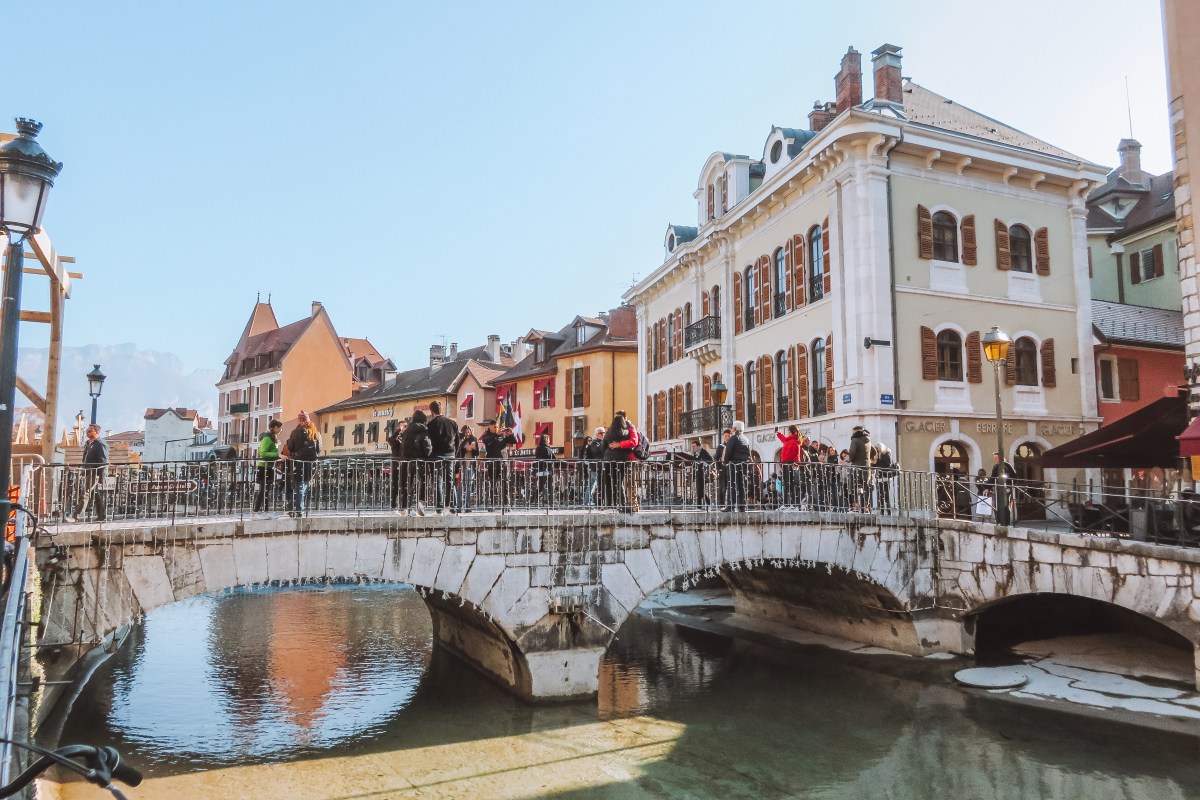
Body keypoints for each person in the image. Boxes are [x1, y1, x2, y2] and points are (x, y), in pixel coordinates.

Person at [282, 411, 321, 517]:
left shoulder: (295, 432)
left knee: (297, 485)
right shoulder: (316, 433)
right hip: (311, 463)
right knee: (304, 485)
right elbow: (319, 449)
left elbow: (290, 447)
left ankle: (296, 508)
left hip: (297, 463)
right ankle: (299, 509)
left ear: (299, 420)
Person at [69, 423, 109, 522]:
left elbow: (104, 461)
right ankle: (102, 515)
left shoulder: (100, 443)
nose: (87, 432)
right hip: (88, 471)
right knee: (96, 494)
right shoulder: (88, 443)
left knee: (85, 493)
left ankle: (76, 516)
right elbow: (85, 459)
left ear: (97, 432)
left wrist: (102, 476)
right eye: (87, 431)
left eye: (90, 431)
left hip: (94, 472)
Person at [426, 400, 459, 513]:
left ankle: (439, 508)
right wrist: (454, 454)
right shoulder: (452, 423)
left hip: (436, 457)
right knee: (450, 481)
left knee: (437, 481)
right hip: (450, 456)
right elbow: (457, 442)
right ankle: (450, 507)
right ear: (441, 409)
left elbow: (428, 443)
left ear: (431, 411)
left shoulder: (430, 425)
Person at [602, 412, 639, 511]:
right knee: (621, 482)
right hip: (624, 459)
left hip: (613, 460)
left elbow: (634, 442)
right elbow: (631, 445)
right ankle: (623, 504)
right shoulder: (625, 432)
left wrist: (618, 445)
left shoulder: (628, 428)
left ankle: (612, 504)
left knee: (614, 482)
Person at [402, 409, 434, 515]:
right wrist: (428, 455)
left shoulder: (407, 431)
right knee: (423, 483)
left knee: (408, 483)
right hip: (421, 461)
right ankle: (420, 505)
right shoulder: (424, 430)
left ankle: (406, 508)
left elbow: (403, 447)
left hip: (407, 461)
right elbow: (427, 446)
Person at [480, 419, 518, 509]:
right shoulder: (486, 435)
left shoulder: (502, 434)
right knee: (493, 483)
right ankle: (493, 504)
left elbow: (514, 441)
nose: (496, 429)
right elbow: (486, 442)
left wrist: (511, 434)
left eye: (497, 427)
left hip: (503, 461)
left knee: (505, 483)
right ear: (490, 427)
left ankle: (506, 504)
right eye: (494, 427)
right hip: (492, 462)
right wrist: (495, 435)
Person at [253, 419, 283, 512]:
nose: (281, 430)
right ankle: (256, 510)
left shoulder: (272, 438)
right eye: (280, 428)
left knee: (265, 490)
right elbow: (263, 453)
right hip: (263, 467)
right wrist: (277, 455)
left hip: (269, 467)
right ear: (275, 428)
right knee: (263, 490)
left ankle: (264, 510)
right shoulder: (267, 438)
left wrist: (277, 460)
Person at [721, 421, 751, 512]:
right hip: (743, 465)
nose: (731, 429)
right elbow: (748, 453)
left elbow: (728, 452)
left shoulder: (733, 438)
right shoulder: (746, 439)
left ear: (735, 429)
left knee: (732, 484)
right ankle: (742, 506)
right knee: (742, 485)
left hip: (733, 465)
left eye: (732, 427)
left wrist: (725, 462)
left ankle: (730, 506)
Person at [847, 426, 872, 511]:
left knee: (853, 486)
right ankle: (866, 506)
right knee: (866, 487)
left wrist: (851, 459)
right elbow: (874, 452)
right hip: (867, 467)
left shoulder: (855, 440)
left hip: (857, 467)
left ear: (855, 432)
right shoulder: (868, 440)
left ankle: (856, 506)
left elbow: (852, 452)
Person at [775, 425, 800, 509]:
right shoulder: (788, 440)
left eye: (788, 431)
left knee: (790, 484)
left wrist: (797, 463)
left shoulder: (794, 442)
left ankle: (791, 504)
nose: (787, 433)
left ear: (790, 432)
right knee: (786, 484)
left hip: (790, 464)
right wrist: (778, 433)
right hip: (786, 464)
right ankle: (787, 504)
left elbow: (797, 455)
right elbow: (783, 438)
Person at [456, 424, 479, 511]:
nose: (467, 434)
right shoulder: (460, 440)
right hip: (462, 464)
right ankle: (459, 505)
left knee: (469, 484)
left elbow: (477, 453)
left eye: (468, 432)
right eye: (465, 432)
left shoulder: (474, 439)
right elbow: (458, 452)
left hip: (470, 464)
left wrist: (473, 448)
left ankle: (467, 506)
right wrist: (466, 449)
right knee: (460, 485)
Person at [386, 419, 408, 512]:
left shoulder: (407, 437)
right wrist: (399, 430)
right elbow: (390, 440)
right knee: (394, 486)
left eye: (405, 426)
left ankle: (404, 507)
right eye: (402, 426)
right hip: (396, 465)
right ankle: (394, 506)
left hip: (405, 464)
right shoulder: (395, 439)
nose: (404, 428)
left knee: (405, 486)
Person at [991, 452, 1017, 524]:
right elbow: (993, 478)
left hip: (1006, 489)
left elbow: (1014, 477)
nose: (995, 460)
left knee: (1005, 505)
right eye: (994, 458)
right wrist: (988, 487)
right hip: (998, 489)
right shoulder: (995, 466)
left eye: (996, 458)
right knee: (997, 505)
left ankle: (1006, 522)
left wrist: (1009, 487)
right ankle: (999, 521)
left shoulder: (1007, 465)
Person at [871, 439, 897, 514]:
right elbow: (875, 465)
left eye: (877, 449)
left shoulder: (887, 454)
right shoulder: (877, 456)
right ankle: (882, 511)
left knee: (886, 495)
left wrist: (877, 461)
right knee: (880, 495)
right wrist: (873, 462)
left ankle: (888, 511)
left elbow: (886, 464)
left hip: (885, 477)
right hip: (879, 477)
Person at [583, 427, 606, 508]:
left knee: (593, 485)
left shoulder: (601, 442)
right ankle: (588, 502)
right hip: (595, 467)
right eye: (601, 433)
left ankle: (587, 502)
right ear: (597, 434)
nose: (603, 434)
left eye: (604, 433)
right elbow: (596, 451)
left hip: (597, 467)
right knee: (594, 485)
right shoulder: (595, 442)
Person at [690, 439, 713, 508]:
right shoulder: (695, 453)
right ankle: (703, 504)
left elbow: (710, 460)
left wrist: (702, 463)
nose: (693, 448)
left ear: (698, 446)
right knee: (699, 490)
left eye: (694, 446)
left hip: (703, 473)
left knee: (700, 489)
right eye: (692, 447)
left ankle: (702, 504)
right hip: (697, 473)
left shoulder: (703, 451)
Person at [534, 432, 555, 506]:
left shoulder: (540, 448)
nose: (549, 440)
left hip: (543, 470)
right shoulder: (546, 448)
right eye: (548, 439)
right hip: (545, 469)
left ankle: (533, 499)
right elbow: (551, 458)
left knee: (542, 486)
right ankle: (550, 502)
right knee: (547, 486)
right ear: (546, 440)